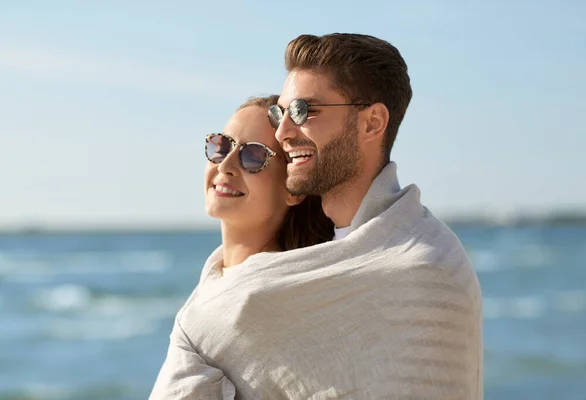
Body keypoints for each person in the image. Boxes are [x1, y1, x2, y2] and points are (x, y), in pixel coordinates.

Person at [151, 33, 482, 400]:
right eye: (281, 114)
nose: (283, 132)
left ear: (372, 123)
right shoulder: (297, 273)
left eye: (303, 111)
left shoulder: (425, 265)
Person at [148, 95, 333, 399]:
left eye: (254, 157)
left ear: (293, 188)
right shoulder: (217, 280)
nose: (227, 165)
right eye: (221, 146)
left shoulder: (270, 302)